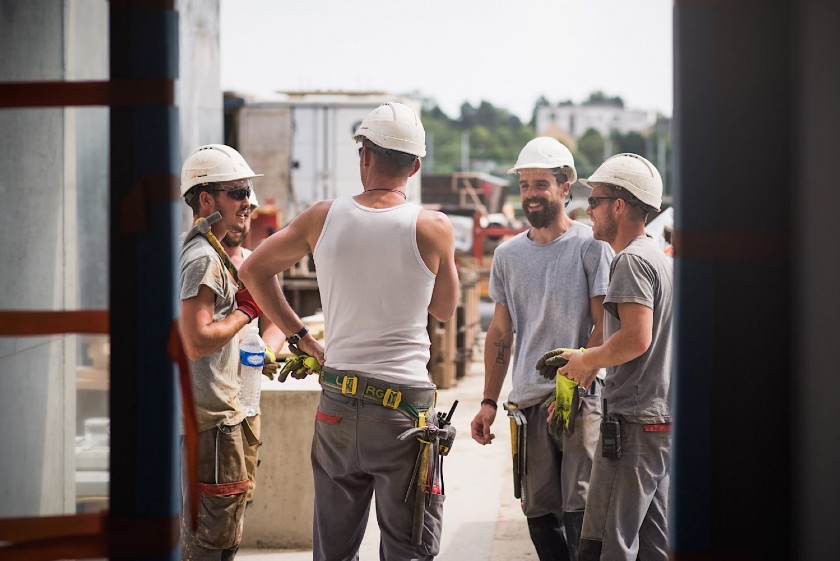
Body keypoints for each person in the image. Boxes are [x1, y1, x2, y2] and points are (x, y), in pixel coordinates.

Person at [239, 102, 459, 561]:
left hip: (338, 405)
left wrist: (301, 339)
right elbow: (443, 308)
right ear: (415, 166)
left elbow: (255, 271)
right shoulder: (433, 227)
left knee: (334, 551)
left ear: (364, 156)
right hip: (404, 413)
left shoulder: (322, 217)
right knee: (408, 548)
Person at [470, 137, 614, 561]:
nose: (531, 193)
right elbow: (501, 333)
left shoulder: (592, 247)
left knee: (581, 508)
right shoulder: (508, 255)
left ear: (565, 187)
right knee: (538, 512)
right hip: (529, 402)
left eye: (541, 184)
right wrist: (488, 401)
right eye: (525, 185)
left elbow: (603, 326)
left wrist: (574, 381)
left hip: (580, 398)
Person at [558, 153, 673, 561]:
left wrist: (588, 361)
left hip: (630, 424)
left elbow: (636, 339)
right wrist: (592, 359)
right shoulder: (658, 258)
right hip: (655, 423)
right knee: (654, 544)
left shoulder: (632, 261)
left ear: (620, 206)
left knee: (606, 544)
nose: (587, 210)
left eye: (595, 201)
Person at [178, 143, 265, 560]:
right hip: (212, 425)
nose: (248, 203)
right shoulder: (202, 258)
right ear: (206, 199)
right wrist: (247, 312)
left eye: (248, 192)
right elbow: (197, 341)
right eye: (238, 192)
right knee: (214, 543)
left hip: (218, 418)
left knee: (218, 533)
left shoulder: (206, 251)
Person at [221, 188, 282, 506]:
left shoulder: (255, 266)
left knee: (242, 488)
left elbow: (275, 322)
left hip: (246, 396)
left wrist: (267, 352)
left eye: (246, 216)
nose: (240, 223)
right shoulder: (194, 260)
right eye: (237, 214)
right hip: (207, 398)